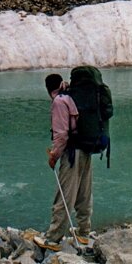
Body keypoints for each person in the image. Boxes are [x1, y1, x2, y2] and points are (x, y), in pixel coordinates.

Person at [34, 73, 92, 251]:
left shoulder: (59, 102)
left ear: (48, 89)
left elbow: (61, 135)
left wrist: (53, 156)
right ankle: (83, 233)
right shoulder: (71, 95)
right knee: (84, 191)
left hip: (72, 152)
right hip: (85, 148)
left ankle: (53, 239)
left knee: (64, 195)